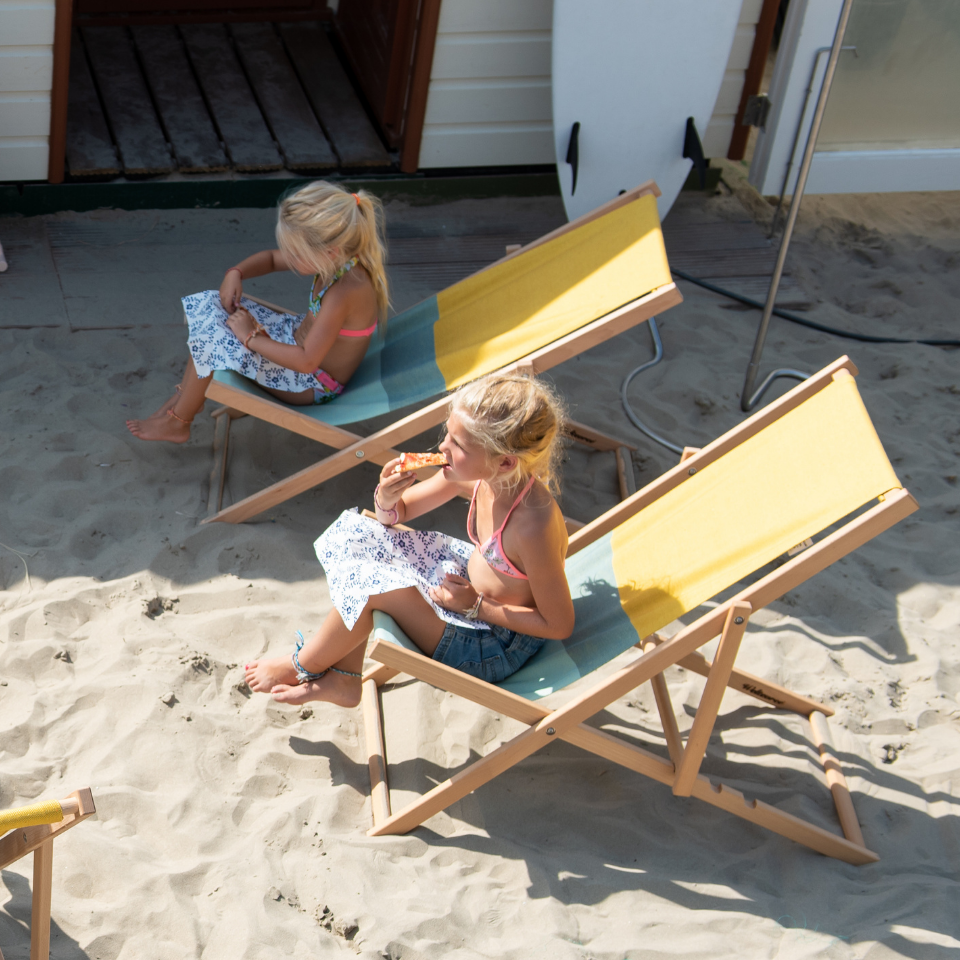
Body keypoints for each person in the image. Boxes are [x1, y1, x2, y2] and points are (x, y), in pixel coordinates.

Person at [244, 373, 575, 706]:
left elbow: (558, 624)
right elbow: (395, 516)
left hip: (491, 642)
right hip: (465, 595)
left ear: (505, 461)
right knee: (360, 532)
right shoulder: (481, 476)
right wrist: (387, 499)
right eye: (449, 433)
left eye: (458, 445)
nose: (443, 446)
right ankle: (344, 680)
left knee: (374, 588)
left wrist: (477, 607)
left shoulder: (532, 525)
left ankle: (302, 664)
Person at [126, 181, 388, 442]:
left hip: (310, 382)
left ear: (330, 252)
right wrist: (235, 273)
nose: (288, 256)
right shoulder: (336, 259)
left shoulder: (345, 291)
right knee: (214, 309)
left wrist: (251, 337)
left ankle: (179, 421)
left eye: (295, 253)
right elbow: (272, 260)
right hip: (292, 341)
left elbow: (306, 361)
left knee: (216, 339)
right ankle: (185, 398)